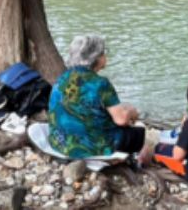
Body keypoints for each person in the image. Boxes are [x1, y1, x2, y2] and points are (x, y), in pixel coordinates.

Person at [48, 35, 155, 163]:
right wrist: (132, 112)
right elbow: (121, 120)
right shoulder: (100, 84)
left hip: (60, 144)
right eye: (103, 52)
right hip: (91, 148)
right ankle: (140, 161)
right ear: (96, 58)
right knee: (139, 134)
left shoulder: (62, 78)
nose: (105, 56)